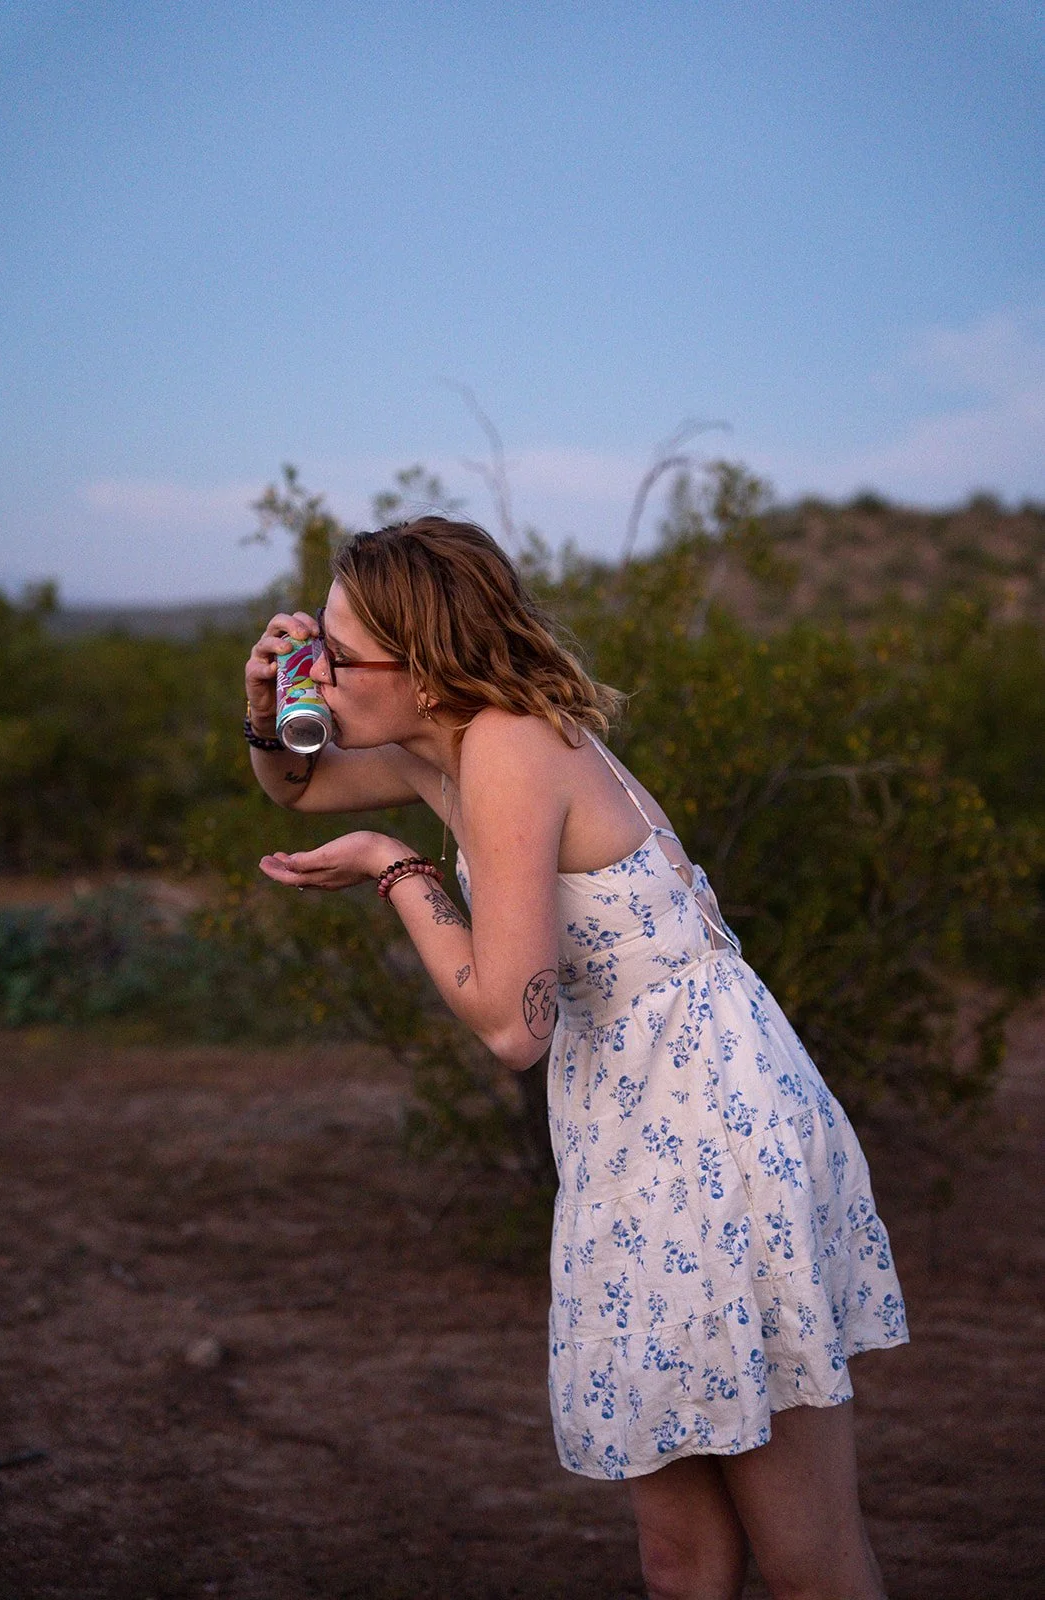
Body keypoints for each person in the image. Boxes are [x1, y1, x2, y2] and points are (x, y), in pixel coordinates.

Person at [245, 516, 908, 1600]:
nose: (316, 665)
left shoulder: (505, 746)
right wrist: (263, 707)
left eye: (335, 652)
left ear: (423, 665)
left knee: (806, 1556)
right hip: (632, 1137)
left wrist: (396, 867)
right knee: (677, 1557)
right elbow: (297, 787)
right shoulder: (445, 742)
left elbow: (511, 1026)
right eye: (311, 643)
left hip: (711, 1133)